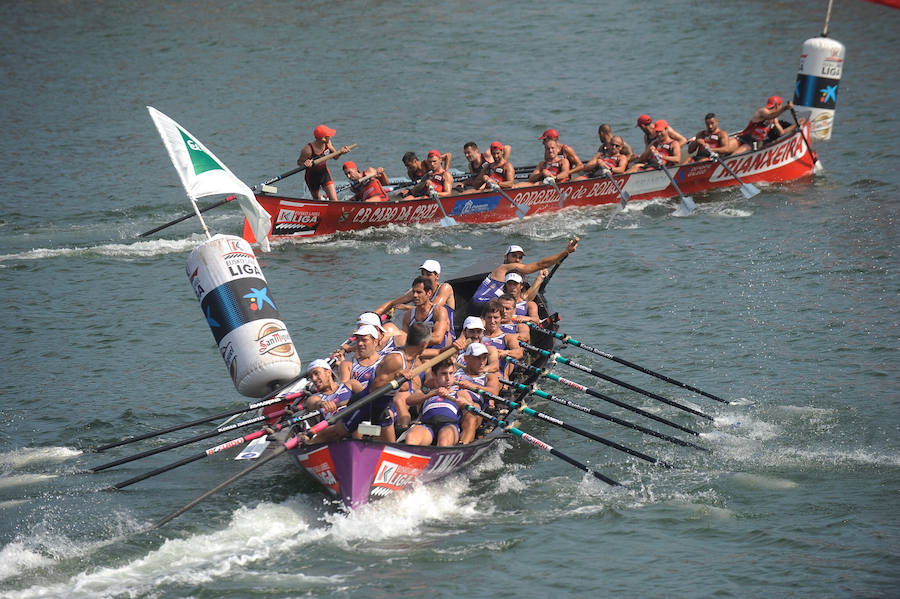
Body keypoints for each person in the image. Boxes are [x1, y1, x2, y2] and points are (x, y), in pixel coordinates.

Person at [305, 323, 431, 444]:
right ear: (424, 344)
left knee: (389, 443)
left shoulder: (409, 357)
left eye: (364, 340)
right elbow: (374, 389)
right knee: (342, 431)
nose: (360, 344)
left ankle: (373, 443)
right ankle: (311, 442)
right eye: (358, 340)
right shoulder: (395, 360)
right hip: (365, 405)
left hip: (381, 407)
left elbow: (436, 354)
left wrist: (451, 348)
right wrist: (397, 376)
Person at [472, 240, 577, 305]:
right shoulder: (502, 269)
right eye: (514, 256)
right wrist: (565, 252)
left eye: (520, 257)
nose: (517, 260)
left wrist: (539, 279)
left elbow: (525, 299)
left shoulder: (519, 278)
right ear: (505, 257)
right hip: (481, 303)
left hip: (496, 309)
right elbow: (540, 265)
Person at [404, 358, 477, 447]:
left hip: (449, 425)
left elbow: (473, 411)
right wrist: (434, 393)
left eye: (451, 373)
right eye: (444, 374)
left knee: (444, 442)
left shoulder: (459, 392)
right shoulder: (426, 391)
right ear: (434, 375)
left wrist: (465, 403)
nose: (448, 378)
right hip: (426, 425)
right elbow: (409, 401)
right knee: (411, 438)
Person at [375, 259, 456, 336]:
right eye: (422, 274)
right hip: (423, 334)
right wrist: (372, 316)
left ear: (437, 276)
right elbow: (392, 303)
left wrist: (406, 307)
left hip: (444, 334)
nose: (424, 277)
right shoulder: (418, 290)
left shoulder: (445, 288)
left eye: (428, 274)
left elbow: (432, 309)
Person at [454, 342, 500, 444]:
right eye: (477, 358)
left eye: (484, 358)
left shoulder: (489, 377)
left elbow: (494, 392)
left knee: (472, 414)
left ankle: (463, 446)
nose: (482, 362)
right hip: (451, 403)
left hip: (472, 410)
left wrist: (472, 386)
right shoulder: (455, 370)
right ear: (466, 359)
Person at [297, 125, 352, 201]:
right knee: (317, 199)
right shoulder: (308, 150)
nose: (331, 137)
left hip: (324, 174)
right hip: (312, 177)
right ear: (323, 138)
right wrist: (306, 163)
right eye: (329, 136)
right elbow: (299, 163)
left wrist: (341, 152)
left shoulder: (328, 143)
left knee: (334, 199)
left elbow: (335, 157)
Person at [401, 276, 452, 351]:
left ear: (429, 293)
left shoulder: (439, 311)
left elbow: (438, 339)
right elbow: (403, 339)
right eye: (413, 292)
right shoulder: (408, 315)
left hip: (437, 353)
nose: (415, 295)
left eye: (419, 292)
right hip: (417, 353)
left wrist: (412, 340)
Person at [481, 298, 523, 379]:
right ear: (484, 318)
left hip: (498, 377)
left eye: (496, 317)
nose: (492, 321)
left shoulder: (507, 337)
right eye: (489, 317)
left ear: (501, 318)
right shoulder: (477, 334)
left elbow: (519, 353)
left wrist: (506, 352)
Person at [338, 324, 384, 393]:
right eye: (358, 340)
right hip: (360, 400)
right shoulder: (348, 365)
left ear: (375, 342)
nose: (359, 343)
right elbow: (343, 392)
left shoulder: (385, 361)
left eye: (364, 340)